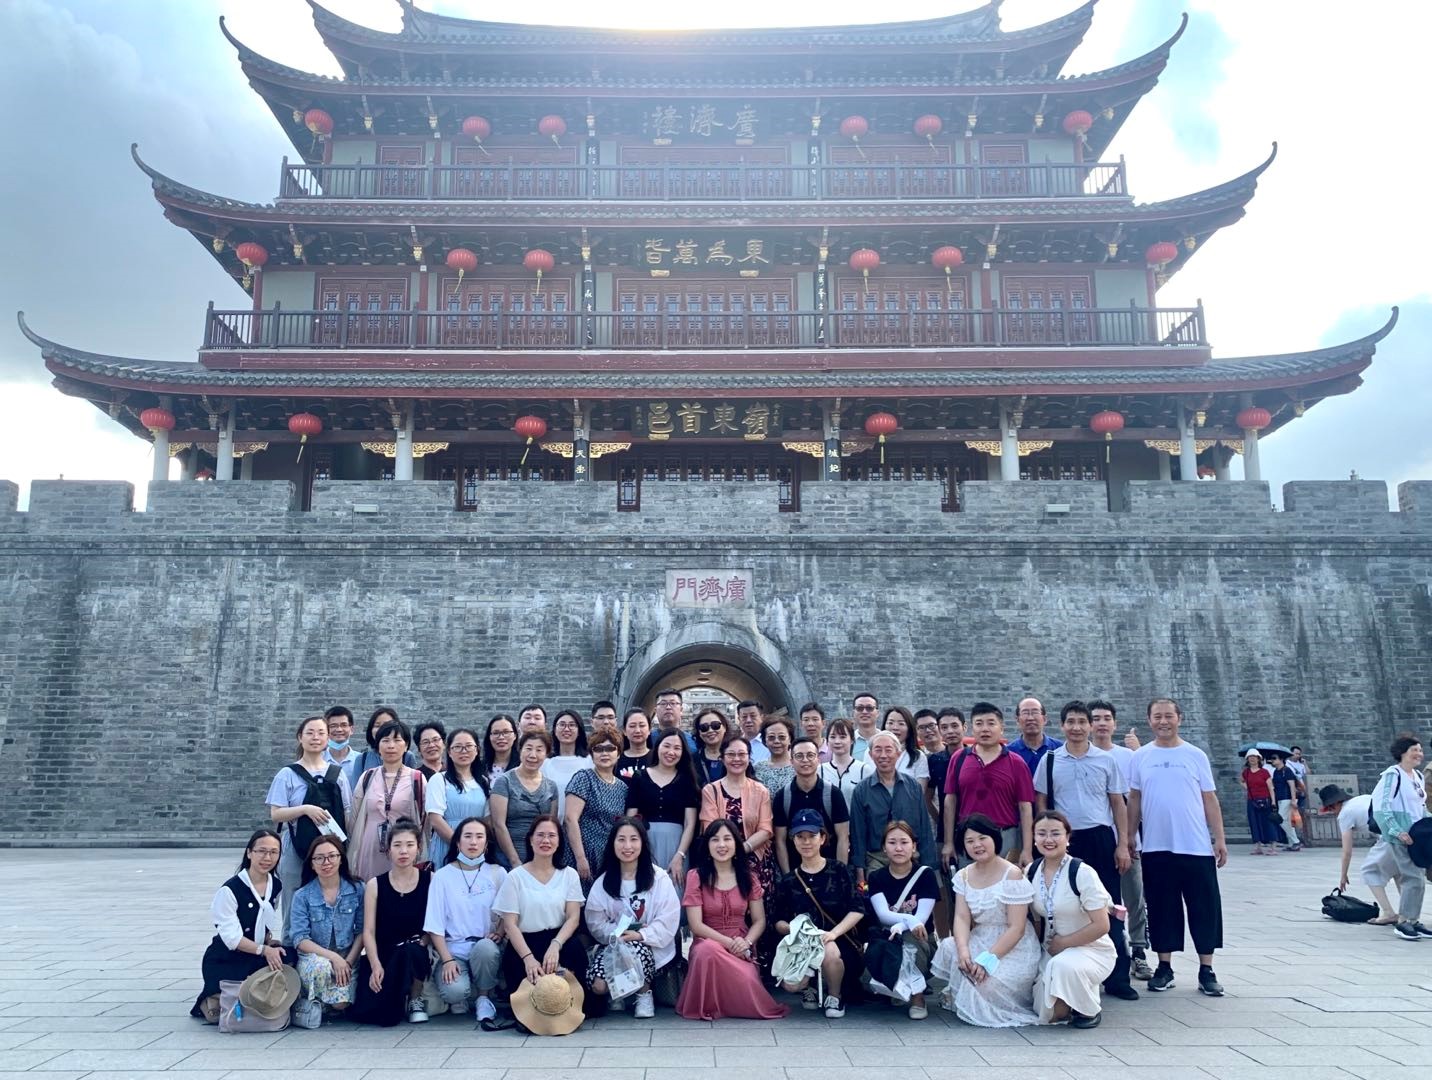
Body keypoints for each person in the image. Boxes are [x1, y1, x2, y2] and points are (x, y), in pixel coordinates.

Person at [1033, 701, 1137, 1001]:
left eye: (1082, 722)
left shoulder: (1106, 760)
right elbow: (1041, 802)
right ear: (1062, 725)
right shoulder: (1050, 760)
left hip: (1100, 838)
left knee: (1110, 906)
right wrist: (1045, 839)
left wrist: (1122, 844)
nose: (1076, 727)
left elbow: (1117, 803)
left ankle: (1118, 977)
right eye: (1071, 722)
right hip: (1064, 841)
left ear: (1090, 726)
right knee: (1061, 904)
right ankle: (1062, 969)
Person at [1127, 697, 1227, 996]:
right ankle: (1164, 967)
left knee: (1204, 908)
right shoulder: (1141, 756)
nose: (1163, 721)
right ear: (1149, 720)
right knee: (1161, 908)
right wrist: (1130, 835)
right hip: (1157, 846)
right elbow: (1134, 798)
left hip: (1195, 846)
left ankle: (1207, 969)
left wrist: (1219, 838)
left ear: (1179, 718)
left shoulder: (1195, 755)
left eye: (1168, 716)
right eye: (1157, 716)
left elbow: (1209, 798)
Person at [934, 814, 1039, 1028]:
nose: (977, 845)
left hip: (1013, 946)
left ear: (994, 838)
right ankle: (964, 992)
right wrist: (963, 950)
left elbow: (1017, 928)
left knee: (986, 984)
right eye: (970, 841)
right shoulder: (963, 875)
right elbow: (962, 917)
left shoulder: (1012, 874)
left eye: (982, 838)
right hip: (980, 936)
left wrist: (988, 960)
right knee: (949, 947)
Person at [677, 819, 787, 1020]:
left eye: (727, 839)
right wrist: (729, 943)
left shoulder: (749, 877)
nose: (721, 845)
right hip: (708, 941)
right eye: (715, 839)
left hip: (741, 945)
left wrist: (746, 942)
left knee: (746, 980)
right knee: (706, 951)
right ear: (707, 845)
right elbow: (696, 925)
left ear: (736, 844)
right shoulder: (696, 876)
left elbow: (759, 921)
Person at [191, 829, 294, 1022]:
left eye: (274, 852)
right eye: (261, 851)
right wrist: (264, 950)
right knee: (233, 992)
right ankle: (212, 999)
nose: (267, 858)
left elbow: (265, 920)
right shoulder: (229, 890)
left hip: (257, 952)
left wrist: (269, 943)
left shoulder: (276, 885)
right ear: (249, 853)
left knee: (290, 955)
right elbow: (232, 939)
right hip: (227, 957)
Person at [585, 817, 681, 1019]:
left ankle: (644, 994)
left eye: (633, 839)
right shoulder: (604, 882)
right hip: (614, 944)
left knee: (635, 947)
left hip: (650, 944)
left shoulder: (659, 878)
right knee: (598, 986)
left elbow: (669, 917)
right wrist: (616, 934)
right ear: (612, 844)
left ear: (643, 843)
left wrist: (640, 935)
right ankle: (619, 992)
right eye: (621, 839)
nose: (627, 846)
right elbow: (595, 921)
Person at [772, 810, 865, 1017]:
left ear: (822, 838)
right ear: (793, 840)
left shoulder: (839, 870)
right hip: (803, 943)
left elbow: (857, 909)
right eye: (800, 837)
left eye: (812, 836)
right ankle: (811, 986)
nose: (806, 842)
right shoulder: (789, 881)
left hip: (839, 941)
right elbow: (778, 920)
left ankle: (834, 996)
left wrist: (833, 933)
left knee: (828, 948)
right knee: (791, 985)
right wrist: (796, 929)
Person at [1028, 810, 1116, 1028]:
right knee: (1048, 1013)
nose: (1048, 839)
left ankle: (1088, 1010)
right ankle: (1075, 991)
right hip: (1052, 950)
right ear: (1034, 838)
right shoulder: (1032, 871)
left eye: (1055, 833)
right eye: (1042, 833)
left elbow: (1102, 925)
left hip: (1091, 949)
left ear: (1067, 838)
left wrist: (1064, 943)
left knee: (1062, 967)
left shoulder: (1082, 872)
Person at [423, 817, 512, 1029]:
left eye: (479, 837)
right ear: (457, 842)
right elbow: (434, 924)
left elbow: (508, 910)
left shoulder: (498, 873)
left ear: (486, 843)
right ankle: (464, 992)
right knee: (454, 992)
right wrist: (447, 960)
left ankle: (483, 996)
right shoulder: (442, 877)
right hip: (454, 949)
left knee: (485, 949)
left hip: (486, 946)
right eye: (468, 836)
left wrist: (500, 931)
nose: (473, 842)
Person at [493, 816, 589, 1010]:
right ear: (530, 840)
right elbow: (510, 925)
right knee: (529, 1006)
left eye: (552, 836)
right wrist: (528, 958)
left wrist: (555, 945)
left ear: (559, 841)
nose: (546, 840)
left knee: (578, 1001)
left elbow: (573, 918)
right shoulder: (515, 877)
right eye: (540, 835)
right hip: (525, 944)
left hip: (560, 941)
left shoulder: (569, 874)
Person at [266, 714, 354, 922]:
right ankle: (291, 940)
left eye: (321, 733)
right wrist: (305, 809)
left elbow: (348, 812)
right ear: (300, 737)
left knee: (330, 898)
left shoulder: (337, 774)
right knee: (293, 899)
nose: (316, 737)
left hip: (331, 848)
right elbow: (276, 814)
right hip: (297, 846)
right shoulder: (287, 774)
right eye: (310, 733)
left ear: (327, 738)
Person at [1089, 699, 1151, 981]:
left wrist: (1129, 839)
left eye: (1106, 718)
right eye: (1096, 718)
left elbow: (1138, 797)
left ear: (1114, 723)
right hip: (1096, 842)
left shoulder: (1129, 756)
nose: (1101, 723)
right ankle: (1105, 953)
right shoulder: (1081, 756)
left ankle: (1138, 950)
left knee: (1134, 897)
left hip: (1128, 841)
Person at [350, 819, 433, 1026]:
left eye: (409, 845)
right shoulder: (375, 884)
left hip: (416, 950)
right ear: (388, 850)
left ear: (418, 849)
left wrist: (427, 938)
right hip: (385, 953)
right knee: (376, 1015)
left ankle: (415, 998)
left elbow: (438, 921)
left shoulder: (430, 880)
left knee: (412, 951)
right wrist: (375, 964)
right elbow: (368, 931)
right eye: (397, 845)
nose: (403, 851)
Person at [942, 702, 1034, 872]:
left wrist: (1027, 850)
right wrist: (948, 843)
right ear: (971, 728)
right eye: (979, 723)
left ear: (1002, 728)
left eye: (991, 723)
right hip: (969, 838)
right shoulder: (959, 758)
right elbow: (950, 801)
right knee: (969, 884)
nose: (985, 729)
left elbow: (1025, 807)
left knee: (1007, 885)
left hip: (1006, 837)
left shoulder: (1016, 762)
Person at [864, 820, 941, 1019]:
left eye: (904, 842)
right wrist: (906, 919)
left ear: (913, 846)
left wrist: (901, 924)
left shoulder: (925, 875)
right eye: (892, 842)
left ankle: (917, 997)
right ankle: (898, 985)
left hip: (922, 942)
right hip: (889, 941)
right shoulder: (876, 877)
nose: (898, 848)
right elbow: (883, 915)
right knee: (903, 933)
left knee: (911, 935)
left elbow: (920, 920)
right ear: (884, 847)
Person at [288, 835, 365, 1026]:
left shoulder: (357, 889)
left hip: (347, 956)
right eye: (319, 858)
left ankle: (323, 1002)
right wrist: (333, 958)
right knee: (322, 967)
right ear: (312, 864)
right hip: (315, 957)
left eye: (332, 856)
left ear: (341, 859)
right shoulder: (302, 895)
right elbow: (300, 938)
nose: (326, 862)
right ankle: (313, 998)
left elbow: (362, 931)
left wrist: (347, 962)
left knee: (341, 1004)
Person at [850, 731, 937, 887]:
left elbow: (924, 828)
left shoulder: (913, 786)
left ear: (898, 753)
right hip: (876, 859)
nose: (883, 755)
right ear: (870, 754)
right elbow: (858, 834)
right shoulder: (861, 790)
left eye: (888, 750)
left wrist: (929, 867)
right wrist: (860, 871)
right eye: (878, 750)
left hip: (911, 857)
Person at [349, 718, 426, 881]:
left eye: (397, 740)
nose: (391, 746)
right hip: (370, 847)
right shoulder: (368, 776)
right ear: (378, 746)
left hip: (403, 848)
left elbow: (425, 822)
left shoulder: (417, 778)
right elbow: (354, 818)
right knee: (371, 890)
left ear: (406, 745)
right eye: (385, 740)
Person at [1370, 732, 1430, 941]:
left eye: (1420, 750)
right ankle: (1403, 922)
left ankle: (1413, 920)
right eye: (1414, 750)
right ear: (1402, 753)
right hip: (1401, 836)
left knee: (1418, 880)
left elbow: (1420, 807)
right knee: (1413, 878)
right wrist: (1396, 831)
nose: (1419, 754)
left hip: (1417, 835)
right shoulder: (1392, 775)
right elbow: (1382, 806)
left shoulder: (1418, 776)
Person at [699, 736, 776, 896]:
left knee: (759, 907)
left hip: (756, 861)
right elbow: (710, 828)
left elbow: (766, 829)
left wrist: (742, 848)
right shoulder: (711, 791)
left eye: (742, 754)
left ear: (749, 758)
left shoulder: (761, 790)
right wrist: (730, 852)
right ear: (722, 758)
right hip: (721, 860)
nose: (736, 759)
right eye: (731, 754)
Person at [624, 730, 700, 881]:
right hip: (644, 843)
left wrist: (680, 855)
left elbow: (689, 823)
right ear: (657, 747)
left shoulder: (687, 780)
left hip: (677, 845)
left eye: (677, 748)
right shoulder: (639, 777)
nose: (671, 752)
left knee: (674, 886)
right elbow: (630, 818)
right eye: (667, 746)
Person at [1323, 784, 1400, 925]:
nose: (1332, 812)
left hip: (1387, 838)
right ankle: (1408, 914)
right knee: (1398, 873)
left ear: (1334, 804)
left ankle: (1388, 913)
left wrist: (1343, 875)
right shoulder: (1362, 799)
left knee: (1369, 871)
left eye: (1330, 809)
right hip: (1400, 832)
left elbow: (1347, 851)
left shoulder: (1345, 814)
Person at [773, 737, 851, 872]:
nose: (805, 760)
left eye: (810, 755)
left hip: (830, 872)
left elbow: (843, 837)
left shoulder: (833, 794)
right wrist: (787, 877)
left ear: (818, 759)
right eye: (799, 756)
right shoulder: (782, 796)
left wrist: (840, 874)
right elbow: (780, 841)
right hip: (796, 872)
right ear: (791, 761)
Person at [563, 730, 628, 886]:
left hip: (608, 856)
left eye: (610, 748)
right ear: (592, 755)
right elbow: (570, 819)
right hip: (581, 854)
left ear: (618, 753)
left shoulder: (623, 788)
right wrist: (580, 858)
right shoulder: (584, 778)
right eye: (598, 749)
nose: (604, 753)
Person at [491, 729, 559, 869]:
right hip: (508, 858)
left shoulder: (551, 787)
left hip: (540, 858)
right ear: (520, 750)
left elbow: (551, 827)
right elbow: (498, 824)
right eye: (528, 748)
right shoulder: (504, 782)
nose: (533, 755)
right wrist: (514, 860)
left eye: (539, 750)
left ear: (546, 754)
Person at [425, 728, 490, 869]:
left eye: (469, 746)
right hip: (447, 843)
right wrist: (460, 845)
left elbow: (487, 819)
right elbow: (435, 819)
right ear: (449, 751)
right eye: (458, 747)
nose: (463, 751)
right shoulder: (439, 780)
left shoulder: (483, 782)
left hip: (476, 846)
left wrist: (476, 845)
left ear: (477, 750)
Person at [543, 709, 590, 825]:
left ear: (579, 731)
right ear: (555, 730)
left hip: (583, 825)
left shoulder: (589, 762)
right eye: (562, 725)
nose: (567, 729)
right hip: (552, 826)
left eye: (572, 725)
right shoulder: (545, 763)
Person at [349, 706, 417, 782]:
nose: (382, 729)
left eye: (387, 725)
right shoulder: (362, 759)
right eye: (377, 726)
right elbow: (355, 787)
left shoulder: (407, 756)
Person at [820, 719, 873, 805]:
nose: (837, 741)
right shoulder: (820, 770)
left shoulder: (863, 770)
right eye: (833, 737)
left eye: (842, 737)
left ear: (852, 740)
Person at [1240, 750, 1280, 855]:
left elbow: (1270, 787)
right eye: (1250, 757)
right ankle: (1258, 846)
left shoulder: (1264, 772)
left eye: (1254, 757)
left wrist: (1273, 801)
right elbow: (1241, 781)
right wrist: (1247, 788)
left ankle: (1273, 847)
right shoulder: (1246, 772)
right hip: (1252, 800)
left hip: (1265, 800)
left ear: (1259, 759)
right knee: (1254, 823)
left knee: (1269, 823)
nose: (1252, 759)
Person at [1010, 697, 1062, 775]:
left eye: (1035, 712)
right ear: (1017, 720)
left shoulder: (1060, 749)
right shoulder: (1009, 752)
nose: (1030, 718)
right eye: (1025, 713)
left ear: (1044, 719)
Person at [882, 706, 929, 792]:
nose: (895, 727)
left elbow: (920, 792)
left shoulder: (917, 757)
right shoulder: (872, 752)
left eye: (901, 724)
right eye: (890, 723)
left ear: (909, 729)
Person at [1268, 752, 1303, 851]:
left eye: (1274, 758)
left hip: (1287, 798)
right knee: (1286, 821)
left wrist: (1293, 799)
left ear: (1281, 759)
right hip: (1280, 798)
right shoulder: (1276, 771)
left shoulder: (1287, 770)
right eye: (1272, 758)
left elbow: (1292, 785)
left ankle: (1296, 841)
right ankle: (1292, 843)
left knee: (1281, 819)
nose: (1273, 760)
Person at [752, 717, 796, 795]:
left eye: (782, 737)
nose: (776, 741)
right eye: (771, 737)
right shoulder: (757, 768)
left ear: (790, 739)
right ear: (765, 740)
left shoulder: (799, 766)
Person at [649, 687, 697, 752]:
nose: (668, 707)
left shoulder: (693, 741)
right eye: (663, 704)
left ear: (681, 710)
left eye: (673, 703)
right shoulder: (647, 740)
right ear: (656, 711)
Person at [322, 705, 361, 783]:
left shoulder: (360, 760)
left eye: (344, 725)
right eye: (333, 726)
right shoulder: (319, 759)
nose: (339, 729)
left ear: (351, 729)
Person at [693, 707, 729, 783]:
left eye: (715, 725)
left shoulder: (737, 756)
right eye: (704, 727)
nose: (710, 731)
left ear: (725, 727)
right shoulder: (692, 760)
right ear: (699, 732)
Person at [616, 708, 654, 781]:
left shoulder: (657, 758)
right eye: (632, 726)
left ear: (649, 729)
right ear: (624, 731)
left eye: (642, 725)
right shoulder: (616, 759)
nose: (637, 730)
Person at [481, 714, 518, 779]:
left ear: (515, 735)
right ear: (489, 736)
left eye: (506, 732)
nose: (501, 737)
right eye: (496, 733)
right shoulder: (479, 767)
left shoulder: (523, 766)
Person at [851, 692, 880, 759]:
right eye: (859, 708)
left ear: (877, 713)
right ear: (853, 713)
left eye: (869, 708)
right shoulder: (848, 742)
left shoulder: (887, 739)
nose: (864, 712)